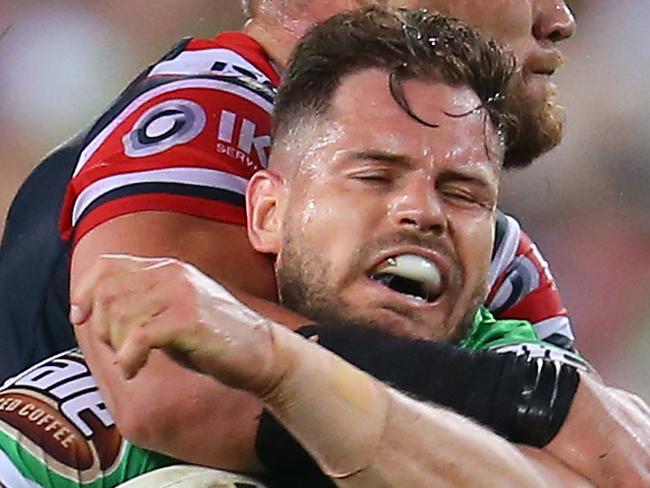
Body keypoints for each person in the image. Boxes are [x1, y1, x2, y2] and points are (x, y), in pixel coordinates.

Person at [0, 8, 592, 487]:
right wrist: (522, 398)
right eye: (374, 175)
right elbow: (170, 384)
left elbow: (604, 459)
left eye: (461, 191)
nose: (558, 18)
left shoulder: (490, 249)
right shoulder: (219, 112)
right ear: (268, 208)